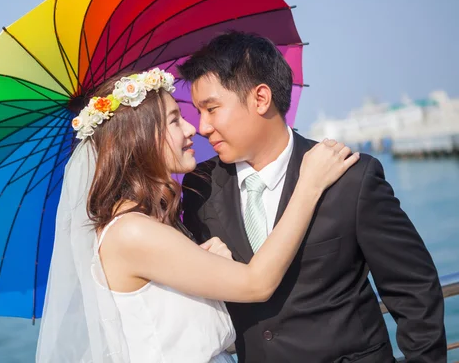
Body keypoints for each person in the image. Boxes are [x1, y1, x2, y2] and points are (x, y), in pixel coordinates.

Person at [36, 67, 359, 362]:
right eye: (175, 120)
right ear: (140, 138)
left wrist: (208, 261)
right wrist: (309, 186)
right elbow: (256, 284)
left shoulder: (144, 224)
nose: (193, 128)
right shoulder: (132, 232)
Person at [178, 31, 447, 363]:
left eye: (212, 109)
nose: (202, 126)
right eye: (198, 112)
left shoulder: (351, 177)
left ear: (260, 98)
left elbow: (414, 291)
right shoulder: (198, 189)